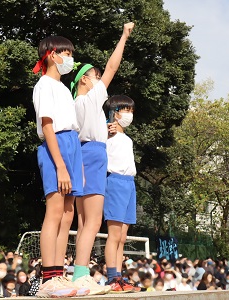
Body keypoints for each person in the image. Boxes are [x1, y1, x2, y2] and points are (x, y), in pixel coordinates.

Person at [68, 22, 134, 291]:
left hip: (83, 151)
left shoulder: (76, 104)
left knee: (85, 222)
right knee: (92, 222)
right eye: (94, 76)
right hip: (93, 155)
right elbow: (112, 67)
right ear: (84, 79)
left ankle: (79, 274)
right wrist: (124, 36)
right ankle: (81, 276)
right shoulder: (90, 99)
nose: (99, 78)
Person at [32, 35, 83, 298]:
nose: (70, 59)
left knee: (68, 212)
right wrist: (61, 166)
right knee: (54, 210)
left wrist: (75, 164)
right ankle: (48, 277)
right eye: (67, 53)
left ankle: (59, 274)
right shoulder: (44, 85)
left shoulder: (64, 88)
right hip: (56, 147)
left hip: (72, 144)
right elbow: (48, 125)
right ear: (52, 54)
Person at [102, 95, 140, 293]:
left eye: (131, 111)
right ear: (114, 113)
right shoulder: (108, 132)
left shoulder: (126, 138)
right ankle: (112, 277)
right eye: (125, 110)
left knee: (123, 236)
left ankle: (119, 277)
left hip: (129, 183)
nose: (129, 114)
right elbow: (100, 133)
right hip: (115, 181)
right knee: (114, 234)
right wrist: (107, 127)